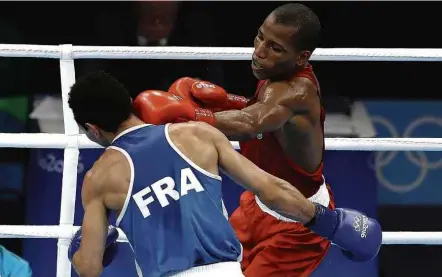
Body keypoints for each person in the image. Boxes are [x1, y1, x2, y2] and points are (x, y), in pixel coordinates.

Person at [134, 3, 371, 277]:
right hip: (257, 204)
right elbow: (258, 112)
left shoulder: (297, 91)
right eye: (260, 37)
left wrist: (189, 114)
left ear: (301, 58)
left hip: (295, 222)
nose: (259, 51)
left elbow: (252, 123)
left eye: (275, 48)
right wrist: (222, 101)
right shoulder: (274, 76)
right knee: (202, 268)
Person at [66, 72, 381, 277]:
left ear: (92, 129)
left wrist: (80, 252)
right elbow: (270, 190)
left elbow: (90, 268)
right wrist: (331, 223)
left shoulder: (99, 179)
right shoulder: (195, 135)